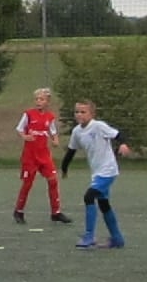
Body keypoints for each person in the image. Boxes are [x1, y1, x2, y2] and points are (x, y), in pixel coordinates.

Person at [61, 100, 134, 249]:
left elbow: (118, 135)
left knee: (89, 196)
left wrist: (123, 144)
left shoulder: (99, 126)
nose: (79, 115)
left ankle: (89, 236)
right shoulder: (77, 132)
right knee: (103, 204)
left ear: (92, 114)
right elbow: (71, 151)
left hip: (108, 170)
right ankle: (117, 239)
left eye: (83, 112)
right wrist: (64, 168)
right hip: (97, 172)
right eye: (77, 112)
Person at [13, 88, 72, 226]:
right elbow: (19, 129)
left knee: (53, 181)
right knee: (27, 184)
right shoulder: (28, 114)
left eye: (42, 99)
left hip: (44, 155)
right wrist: (25, 136)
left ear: (47, 102)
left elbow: (52, 131)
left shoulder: (49, 117)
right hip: (30, 156)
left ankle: (56, 213)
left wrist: (55, 140)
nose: (38, 102)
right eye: (37, 99)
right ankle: (19, 211)